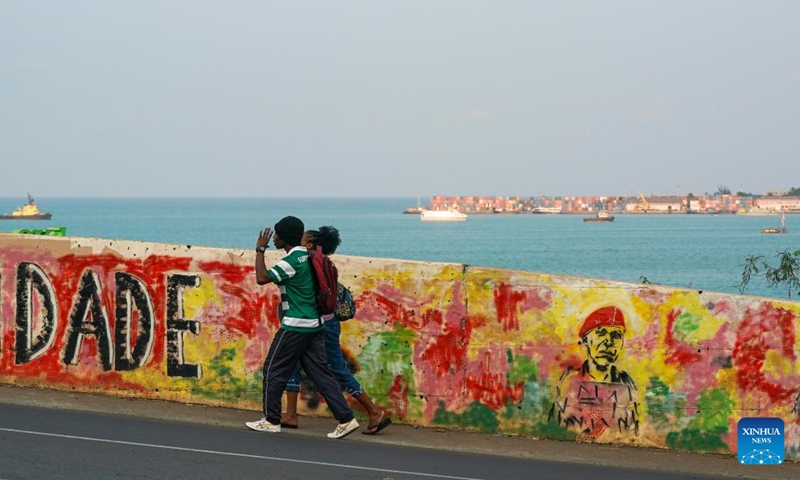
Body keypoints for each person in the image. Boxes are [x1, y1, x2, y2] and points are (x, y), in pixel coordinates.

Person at [245, 216, 360, 439]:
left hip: (296, 325)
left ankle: (271, 420)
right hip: (316, 325)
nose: (274, 237)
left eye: (277, 234)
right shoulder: (309, 257)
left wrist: (260, 249)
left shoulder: (292, 261)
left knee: (273, 369)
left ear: (284, 238)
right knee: (321, 373)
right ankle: (346, 419)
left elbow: (261, 278)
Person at [280, 226, 391, 435]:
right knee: (292, 362)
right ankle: (290, 414)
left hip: (320, 324)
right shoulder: (322, 262)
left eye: (301, 239)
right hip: (319, 322)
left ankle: (374, 411)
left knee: (337, 369)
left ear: (310, 244)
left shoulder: (311, 263)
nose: (298, 241)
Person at [549, 306, 639, 438]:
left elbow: (631, 427)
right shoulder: (571, 380)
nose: (608, 342)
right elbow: (560, 422)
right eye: (601, 333)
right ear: (585, 342)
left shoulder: (626, 383)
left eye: (616, 336)